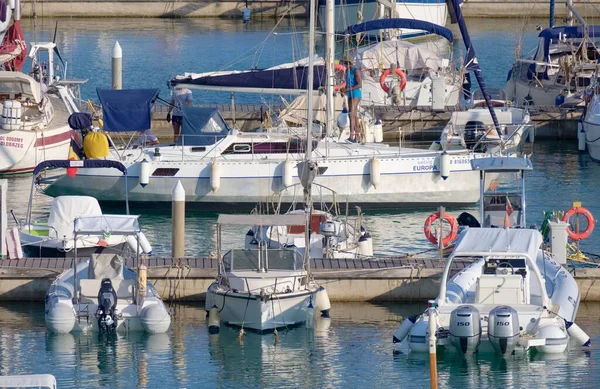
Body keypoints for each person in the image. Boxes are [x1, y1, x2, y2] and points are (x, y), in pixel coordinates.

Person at [340, 55, 362, 143]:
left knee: (351, 115)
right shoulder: (347, 71)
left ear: (349, 63)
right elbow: (348, 83)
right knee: (354, 116)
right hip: (350, 94)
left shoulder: (355, 70)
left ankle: (351, 136)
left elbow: (359, 84)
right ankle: (357, 137)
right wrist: (344, 90)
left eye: (345, 63)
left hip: (356, 94)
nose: (345, 65)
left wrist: (347, 89)